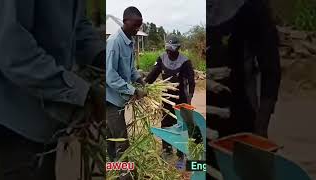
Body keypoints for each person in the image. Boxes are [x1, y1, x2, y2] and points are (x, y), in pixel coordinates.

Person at [0, 1, 104, 180]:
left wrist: (101, 57)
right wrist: (81, 93)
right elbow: (11, 48)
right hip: (12, 122)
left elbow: (78, 26)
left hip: (45, 122)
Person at [207, 0, 281, 138]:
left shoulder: (251, 7)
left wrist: (261, 128)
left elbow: (270, 68)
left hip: (237, 118)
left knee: (233, 157)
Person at [105, 5, 146, 173]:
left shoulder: (129, 42)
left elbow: (130, 68)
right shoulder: (114, 42)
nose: (137, 29)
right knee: (122, 140)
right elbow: (109, 76)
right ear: (125, 22)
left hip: (119, 99)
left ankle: (113, 167)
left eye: (139, 25)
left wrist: (138, 79)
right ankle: (125, 174)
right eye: (135, 25)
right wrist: (133, 90)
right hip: (111, 100)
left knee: (111, 137)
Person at [145, 34, 196, 169]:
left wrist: (189, 100)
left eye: (172, 49)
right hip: (166, 99)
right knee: (166, 124)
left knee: (181, 126)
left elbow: (191, 82)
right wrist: (143, 85)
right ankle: (167, 150)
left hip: (181, 100)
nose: (169, 51)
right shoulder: (161, 59)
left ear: (178, 48)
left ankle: (181, 154)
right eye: (167, 48)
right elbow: (153, 74)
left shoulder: (185, 62)